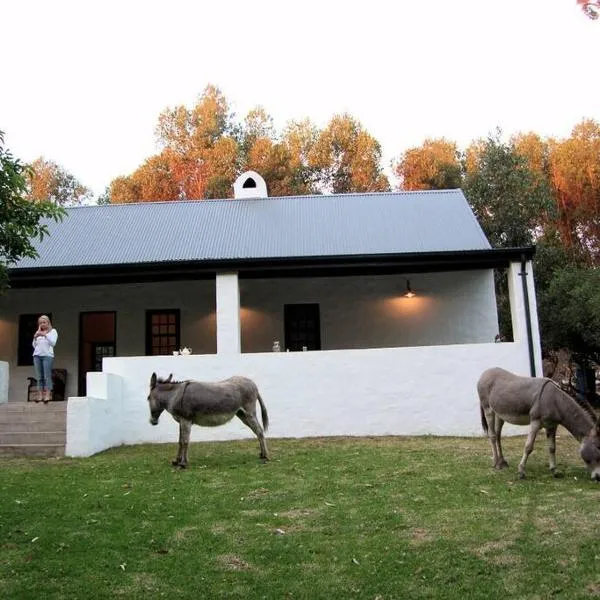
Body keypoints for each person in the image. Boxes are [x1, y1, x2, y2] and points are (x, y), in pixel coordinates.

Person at [32, 315, 58, 404]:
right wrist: (35, 337)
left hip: (47, 356)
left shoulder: (53, 331)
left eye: (44, 322)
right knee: (39, 377)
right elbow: (34, 346)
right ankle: (40, 396)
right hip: (37, 356)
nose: (42, 324)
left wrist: (45, 335)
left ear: (48, 322)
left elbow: (53, 343)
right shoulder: (38, 332)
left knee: (47, 376)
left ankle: (47, 395)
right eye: (40, 323)